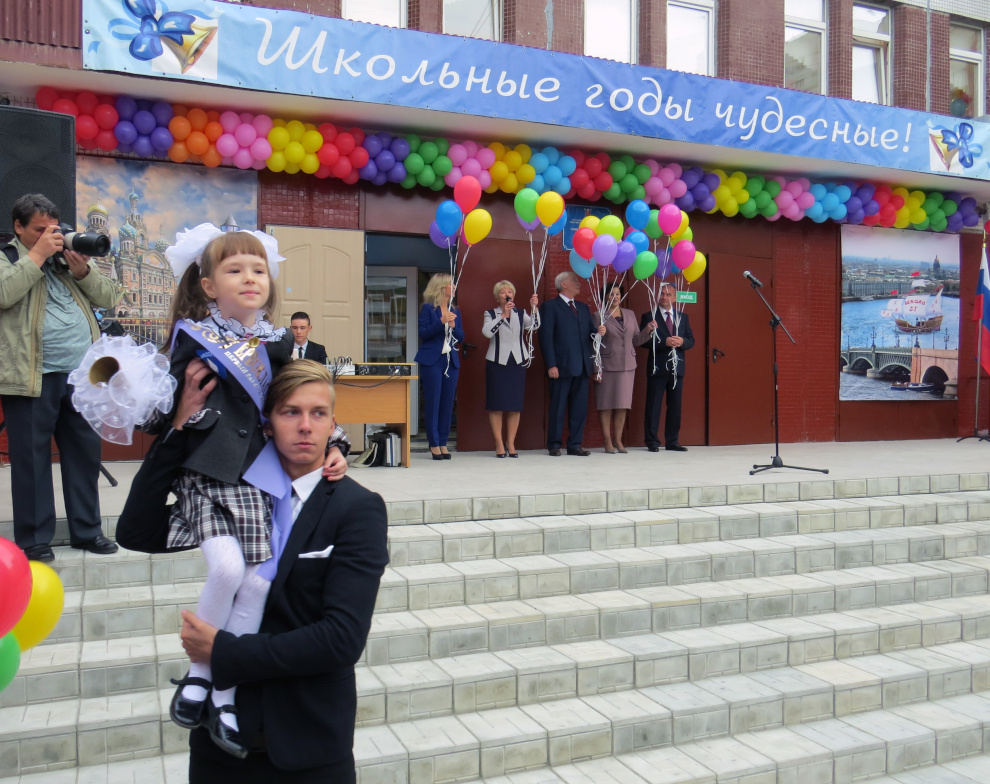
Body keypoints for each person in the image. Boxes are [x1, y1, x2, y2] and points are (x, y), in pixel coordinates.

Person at [116, 360, 387, 783]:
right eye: (290, 412)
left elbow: (341, 638)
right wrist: (180, 427)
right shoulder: (231, 495)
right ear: (266, 424)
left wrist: (222, 651)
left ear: (333, 424)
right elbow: (136, 530)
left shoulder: (357, 508)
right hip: (219, 751)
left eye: (318, 413)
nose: (305, 426)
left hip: (308, 747)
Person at [148, 225, 349, 758]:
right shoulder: (193, 337)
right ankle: (199, 674)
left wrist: (335, 442)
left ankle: (224, 693)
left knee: (259, 583)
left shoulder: (277, 342)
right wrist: (168, 409)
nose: (250, 278)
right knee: (226, 570)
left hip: (257, 480)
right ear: (209, 285)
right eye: (235, 270)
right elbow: (159, 411)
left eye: (259, 269)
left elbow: (303, 395)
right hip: (207, 478)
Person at [0, 193, 122, 563]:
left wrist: (82, 270)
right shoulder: (7, 258)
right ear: (18, 227)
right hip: (31, 375)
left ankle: (88, 531)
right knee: (31, 459)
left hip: (81, 376)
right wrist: (37, 256)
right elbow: (3, 294)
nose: (49, 237)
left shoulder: (65, 260)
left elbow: (110, 297)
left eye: (52, 230)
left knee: (84, 455)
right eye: (39, 231)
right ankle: (36, 538)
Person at [538, 270, 606, 456]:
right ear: (564, 284)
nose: (578, 282)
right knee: (558, 407)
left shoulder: (583, 308)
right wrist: (551, 364)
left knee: (579, 409)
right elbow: (546, 337)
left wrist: (597, 333)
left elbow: (589, 333)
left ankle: (575, 444)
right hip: (561, 366)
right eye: (574, 280)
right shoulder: (550, 307)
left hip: (582, 366)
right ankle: (554, 444)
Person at [482, 280, 540, 458]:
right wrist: (503, 316)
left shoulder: (520, 313)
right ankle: (499, 443)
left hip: (517, 361)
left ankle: (511, 443)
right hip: (497, 362)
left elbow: (535, 325)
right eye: (503, 292)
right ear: (497, 297)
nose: (507, 294)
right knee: (497, 404)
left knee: (515, 405)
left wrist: (534, 308)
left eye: (510, 292)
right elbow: (487, 332)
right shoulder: (490, 313)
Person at [636, 281, 695, 452]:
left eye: (668, 294)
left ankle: (672, 441)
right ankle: (652, 441)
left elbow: (691, 340)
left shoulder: (683, 317)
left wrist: (682, 342)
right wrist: (664, 342)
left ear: (675, 298)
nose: (664, 297)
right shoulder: (649, 316)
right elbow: (642, 341)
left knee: (675, 406)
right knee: (653, 405)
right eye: (662, 293)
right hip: (657, 367)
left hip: (677, 369)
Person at [594, 282, 647, 453]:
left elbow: (636, 340)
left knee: (622, 404)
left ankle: (618, 440)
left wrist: (648, 330)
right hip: (606, 366)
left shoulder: (630, 314)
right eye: (611, 294)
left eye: (617, 294)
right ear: (605, 297)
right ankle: (607, 441)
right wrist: (596, 368)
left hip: (627, 366)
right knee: (606, 404)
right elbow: (593, 344)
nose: (615, 297)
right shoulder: (598, 315)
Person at [415, 273, 464, 460]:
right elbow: (423, 333)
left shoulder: (455, 310)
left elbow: (461, 337)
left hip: (450, 360)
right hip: (432, 361)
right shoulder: (428, 309)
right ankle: (434, 443)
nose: (454, 287)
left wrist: (453, 325)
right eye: (451, 284)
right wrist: (440, 322)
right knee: (433, 402)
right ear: (441, 287)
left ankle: (443, 442)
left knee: (447, 403)